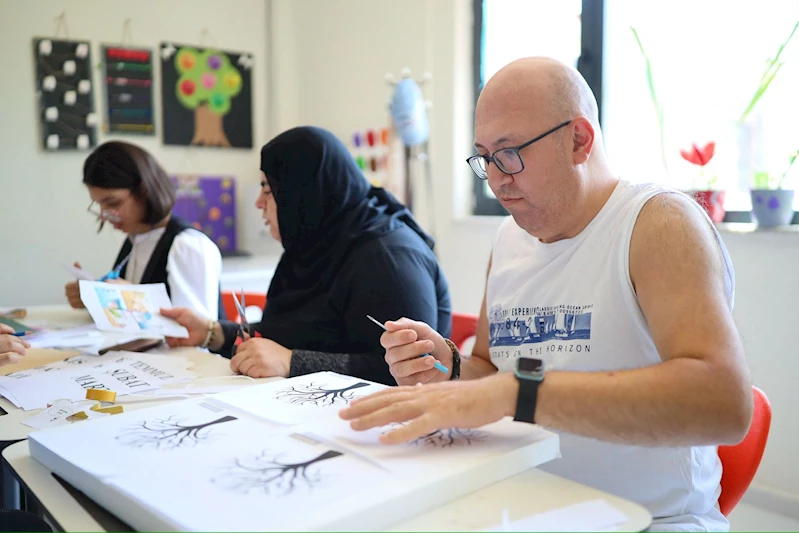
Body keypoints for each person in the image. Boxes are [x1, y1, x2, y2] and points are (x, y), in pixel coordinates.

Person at [340, 57, 752, 531]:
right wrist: (447, 365)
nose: (497, 178)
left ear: (579, 140)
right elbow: (492, 370)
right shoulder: (508, 239)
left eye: (510, 152)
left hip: (651, 519)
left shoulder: (657, 224)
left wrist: (520, 393)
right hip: (521, 505)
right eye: (485, 157)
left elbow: (724, 405)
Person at [163, 126, 451, 386]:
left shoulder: (388, 258)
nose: (258, 203)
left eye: (268, 189)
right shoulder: (313, 244)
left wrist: (292, 362)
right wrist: (213, 333)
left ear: (302, 191)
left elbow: (411, 370)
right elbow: (292, 334)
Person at [63, 141, 224, 319]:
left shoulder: (187, 247)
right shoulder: (135, 240)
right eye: (99, 205)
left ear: (144, 191)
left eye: (113, 203)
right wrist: (96, 297)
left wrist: (134, 299)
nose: (104, 216)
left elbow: (201, 329)